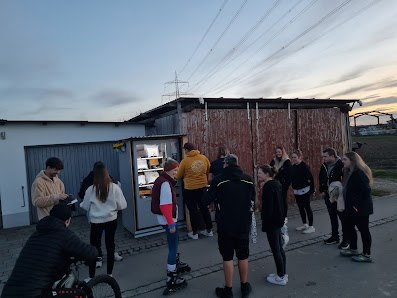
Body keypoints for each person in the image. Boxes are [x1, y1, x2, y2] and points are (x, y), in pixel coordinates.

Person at [1, 204, 98, 298]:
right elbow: (91, 253)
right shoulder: (64, 235)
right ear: (68, 221)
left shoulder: (37, 233)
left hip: (9, 291)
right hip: (35, 294)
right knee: (80, 294)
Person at [207, 154, 255, 298]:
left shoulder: (219, 180)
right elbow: (253, 200)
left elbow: (207, 199)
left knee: (227, 257)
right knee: (243, 255)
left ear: (226, 164)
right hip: (243, 223)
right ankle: (244, 286)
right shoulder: (248, 179)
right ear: (237, 163)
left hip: (225, 225)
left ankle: (228, 290)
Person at [80, 163, 127, 278]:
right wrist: (112, 209)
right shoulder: (114, 187)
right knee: (110, 245)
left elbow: (85, 206)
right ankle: (109, 274)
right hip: (111, 220)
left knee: (94, 247)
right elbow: (123, 205)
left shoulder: (91, 189)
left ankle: (91, 275)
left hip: (96, 222)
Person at [151, 159, 190, 295]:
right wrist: (171, 223)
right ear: (167, 170)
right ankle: (171, 278)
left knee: (174, 244)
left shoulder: (161, 180)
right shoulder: (166, 184)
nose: (177, 171)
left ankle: (175, 264)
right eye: (174, 169)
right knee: (173, 246)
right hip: (168, 220)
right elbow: (165, 206)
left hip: (166, 219)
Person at [340, 152, 374, 262]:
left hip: (361, 208)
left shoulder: (359, 173)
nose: (343, 161)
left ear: (353, 161)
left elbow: (366, 190)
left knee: (363, 230)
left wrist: (355, 204)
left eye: (345, 159)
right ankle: (353, 248)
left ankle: (366, 254)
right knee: (349, 227)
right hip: (350, 207)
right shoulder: (348, 172)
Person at [175, 142, 213, 240]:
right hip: (203, 187)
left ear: (186, 150)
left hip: (190, 189)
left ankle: (194, 233)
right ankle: (209, 230)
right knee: (204, 209)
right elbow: (209, 169)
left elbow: (178, 176)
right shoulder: (203, 158)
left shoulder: (185, 161)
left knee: (193, 211)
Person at [258, 165, 287, 286]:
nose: (258, 175)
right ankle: (282, 273)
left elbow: (268, 208)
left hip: (272, 222)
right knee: (279, 248)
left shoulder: (269, 188)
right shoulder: (276, 184)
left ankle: (280, 276)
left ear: (267, 174)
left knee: (276, 249)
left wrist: (266, 221)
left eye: (260, 173)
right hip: (278, 220)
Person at [319, 148, 348, 248]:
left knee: (343, 218)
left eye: (325, 156)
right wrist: (322, 190)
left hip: (339, 196)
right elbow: (321, 178)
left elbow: (345, 180)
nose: (323, 158)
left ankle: (346, 239)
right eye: (323, 156)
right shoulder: (324, 166)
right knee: (332, 217)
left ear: (332, 156)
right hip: (328, 195)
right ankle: (335, 236)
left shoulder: (341, 165)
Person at [291, 149, 315, 234]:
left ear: (299, 157)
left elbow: (310, 179)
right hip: (297, 191)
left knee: (307, 207)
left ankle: (311, 226)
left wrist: (312, 190)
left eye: (295, 157)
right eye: (292, 157)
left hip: (305, 190)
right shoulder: (294, 166)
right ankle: (305, 224)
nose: (293, 159)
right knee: (300, 208)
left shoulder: (304, 166)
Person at [269, 146, 292, 222]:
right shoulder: (274, 161)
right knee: (276, 200)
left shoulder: (286, 161)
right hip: (275, 184)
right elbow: (270, 170)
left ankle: (284, 216)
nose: (278, 153)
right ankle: (277, 215)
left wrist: (285, 183)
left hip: (283, 184)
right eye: (276, 152)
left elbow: (288, 174)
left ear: (282, 152)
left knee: (283, 200)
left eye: (279, 152)